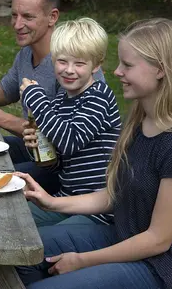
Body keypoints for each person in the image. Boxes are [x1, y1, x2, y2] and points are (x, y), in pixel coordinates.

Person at [16, 18, 172, 289]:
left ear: (160, 70)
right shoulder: (142, 119)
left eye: (127, 64)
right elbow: (114, 194)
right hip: (124, 235)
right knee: (21, 251)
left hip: (163, 269)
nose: (116, 72)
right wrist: (53, 202)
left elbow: (158, 240)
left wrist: (82, 261)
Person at [0, 0, 104, 193]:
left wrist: (1, 119)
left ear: (52, 17)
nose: (16, 24)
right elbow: (6, 90)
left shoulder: (73, 68)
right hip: (35, 149)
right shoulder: (26, 54)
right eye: (14, 15)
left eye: (28, 17)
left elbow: (64, 140)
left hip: (66, 169)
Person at [19, 18, 121, 226]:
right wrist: (37, 148)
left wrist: (36, 99)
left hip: (98, 212)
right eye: (62, 61)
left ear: (97, 65)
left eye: (79, 63)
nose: (69, 70)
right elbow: (58, 162)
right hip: (67, 199)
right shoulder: (61, 100)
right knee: (14, 217)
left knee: (27, 230)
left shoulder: (99, 96)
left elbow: (69, 141)